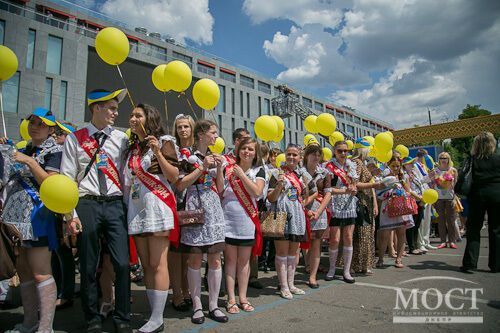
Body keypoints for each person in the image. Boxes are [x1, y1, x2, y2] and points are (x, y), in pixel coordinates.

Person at [61, 89, 132, 333]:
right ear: (96, 108)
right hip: (86, 204)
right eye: (111, 108)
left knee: (122, 263)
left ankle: (123, 316)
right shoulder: (76, 138)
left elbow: (127, 174)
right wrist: (71, 215)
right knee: (89, 265)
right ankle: (92, 317)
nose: (116, 112)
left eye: (116, 108)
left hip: (114, 205)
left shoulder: (122, 139)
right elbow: (67, 178)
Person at [1, 108, 62, 333]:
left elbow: (51, 183)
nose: (35, 126)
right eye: (32, 122)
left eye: (41, 124)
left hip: (38, 218)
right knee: (24, 271)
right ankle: (29, 323)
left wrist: (30, 162)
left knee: (41, 272)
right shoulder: (22, 148)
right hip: (14, 218)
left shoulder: (55, 151)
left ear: (51, 129)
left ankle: (46, 328)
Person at [124, 104, 180, 333]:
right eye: (132, 115)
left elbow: (174, 175)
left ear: (150, 118)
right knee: (146, 264)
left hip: (158, 204)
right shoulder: (133, 148)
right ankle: (152, 313)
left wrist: (157, 152)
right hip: (137, 207)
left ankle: (158, 318)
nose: (133, 118)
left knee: (158, 263)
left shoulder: (164, 141)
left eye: (138, 115)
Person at [175, 119, 228, 325]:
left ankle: (213, 305)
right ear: (201, 135)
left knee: (215, 259)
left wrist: (220, 168)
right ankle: (197, 305)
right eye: (213, 133)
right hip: (195, 208)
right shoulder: (186, 155)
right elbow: (180, 185)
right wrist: (202, 167)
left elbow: (221, 189)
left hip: (213, 209)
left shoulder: (213, 157)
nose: (215, 136)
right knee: (195, 260)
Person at [217, 137, 265, 314]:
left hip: (246, 220)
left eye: (251, 149)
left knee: (244, 262)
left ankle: (243, 297)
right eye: (244, 148)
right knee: (230, 261)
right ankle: (231, 298)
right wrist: (219, 171)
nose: (247, 152)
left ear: (255, 153)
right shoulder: (228, 168)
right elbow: (221, 191)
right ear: (238, 150)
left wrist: (242, 175)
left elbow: (257, 192)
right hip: (228, 218)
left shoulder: (259, 170)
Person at [267, 144, 308, 299]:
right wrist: (279, 185)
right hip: (281, 214)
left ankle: (291, 284)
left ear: (299, 158)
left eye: (295, 155)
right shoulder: (276, 173)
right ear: (284, 155)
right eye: (289, 154)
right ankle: (283, 286)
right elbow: (270, 198)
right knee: (282, 252)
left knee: (293, 252)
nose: (291, 157)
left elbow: (309, 192)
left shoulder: (302, 175)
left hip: (297, 214)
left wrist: (304, 204)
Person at [461, 132, 500, 273]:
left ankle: (470, 263)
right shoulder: (498, 158)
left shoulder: (472, 159)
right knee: (496, 229)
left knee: (473, 229)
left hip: (478, 196)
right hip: (497, 195)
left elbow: (463, 176)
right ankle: (496, 264)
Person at [169, 114, 195, 312]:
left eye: (186, 126)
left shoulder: (198, 150)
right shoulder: (172, 150)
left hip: (194, 204)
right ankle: (176, 293)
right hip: (175, 203)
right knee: (175, 251)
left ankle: (187, 291)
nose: (183, 130)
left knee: (188, 252)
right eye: (179, 127)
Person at [51, 122, 77, 311]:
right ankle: (58, 290)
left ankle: (66, 293)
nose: (55, 136)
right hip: (53, 208)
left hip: (70, 209)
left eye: (60, 133)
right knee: (55, 251)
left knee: (64, 252)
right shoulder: (53, 151)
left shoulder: (69, 155)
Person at [325, 141, 359, 283]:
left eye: (345, 151)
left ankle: (346, 270)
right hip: (335, 206)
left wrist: (354, 189)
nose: (343, 154)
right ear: (335, 151)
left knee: (349, 238)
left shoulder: (352, 166)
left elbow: (355, 185)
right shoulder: (329, 167)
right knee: (335, 239)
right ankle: (332, 268)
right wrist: (345, 190)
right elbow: (327, 189)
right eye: (340, 151)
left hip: (349, 205)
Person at [351, 140, 384, 275]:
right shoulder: (357, 163)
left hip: (367, 201)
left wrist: (375, 203)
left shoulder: (363, 163)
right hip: (361, 202)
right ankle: (358, 264)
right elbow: (355, 183)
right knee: (362, 234)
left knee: (366, 233)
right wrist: (373, 185)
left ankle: (363, 264)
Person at [376, 155, 414, 268]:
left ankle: (399, 259)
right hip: (387, 208)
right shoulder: (383, 177)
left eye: (398, 166)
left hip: (401, 208)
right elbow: (379, 193)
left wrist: (402, 191)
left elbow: (408, 192)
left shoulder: (403, 177)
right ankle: (381, 259)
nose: (396, 168)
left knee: (401, 233)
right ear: (388, 165)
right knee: (385, 234)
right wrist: (389, 193)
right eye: (393, 166)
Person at [301, 144, 331, 288]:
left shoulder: (325, 173)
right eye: (313, 154)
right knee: (296, 245)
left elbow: (328, 193)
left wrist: (318, 212)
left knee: (316, 244)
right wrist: (305, 210)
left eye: (319, 154)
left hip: (319, 211)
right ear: (307, 155)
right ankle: (289, 280)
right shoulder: (298, 172)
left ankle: (312, 277)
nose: (316, 157)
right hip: (300, 209)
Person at [434, 152, 459, 249]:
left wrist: (455, 198)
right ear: (439, 159)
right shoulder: (435, 170)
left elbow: (456, 186)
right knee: (441, 221)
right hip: (439, 198)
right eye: (441, 158)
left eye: (445, 158)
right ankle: (443, 241)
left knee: (451, 220)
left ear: (449, 159)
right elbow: (431, 183)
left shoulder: (453, 170)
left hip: (450, 198)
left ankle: (452, 241)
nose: (443, 159)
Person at [403, 157, 426, 255]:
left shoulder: (414, 174)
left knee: (417, 225)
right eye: (410, 163)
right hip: (412, 202)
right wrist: (420, 198)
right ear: (404, 165)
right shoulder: (404, 176)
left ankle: (416, 245)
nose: (412, 165)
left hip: (419, 201)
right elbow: (409, 190)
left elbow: (420, 186)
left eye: (413, 163)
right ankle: (412, 247)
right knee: (411, 225)